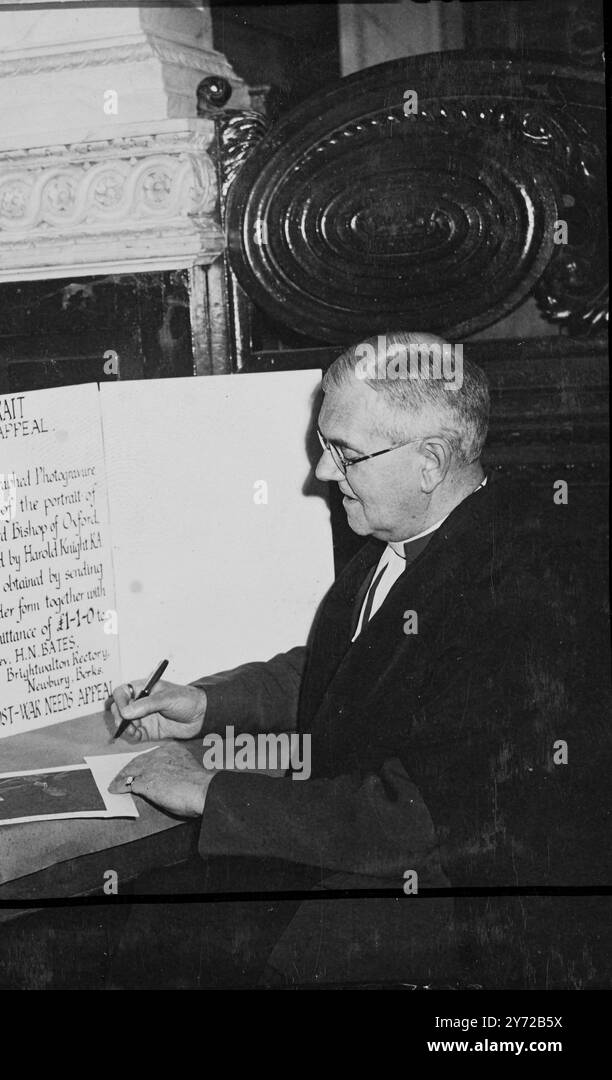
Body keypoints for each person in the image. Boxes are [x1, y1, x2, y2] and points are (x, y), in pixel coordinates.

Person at [106, 331, 608, 987]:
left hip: (466, 927)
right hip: (355, 861)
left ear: (429, 462)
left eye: (345, 453)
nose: (320, 473)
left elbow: (420, 819)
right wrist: (207, 705)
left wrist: (210, 790)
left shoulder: (512, 596)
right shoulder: (404, 539)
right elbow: (347, 671)